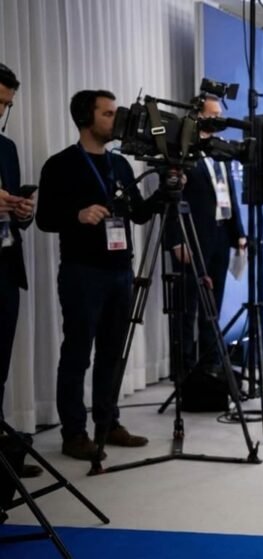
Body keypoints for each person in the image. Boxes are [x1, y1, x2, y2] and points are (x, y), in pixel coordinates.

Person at [36, 90, 156, 460]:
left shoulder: (120, 165)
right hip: (81, 273)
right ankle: (74, 433)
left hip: (121, 271)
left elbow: (137, 214)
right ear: (86, 119)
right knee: (77, 354)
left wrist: (166, 191)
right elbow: (43, 219)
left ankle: (108, 423)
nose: (115, 120)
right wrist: (78, 215)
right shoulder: (60, 165)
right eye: (108, 114)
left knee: (112, 354)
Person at [164, 95, 245, 387]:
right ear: (198, 115)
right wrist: (174, 241)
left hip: (220, 239)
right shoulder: (181, 150)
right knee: (187, 308)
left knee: (213, 306)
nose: (219, 119)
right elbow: (171, 200)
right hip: (190, 239)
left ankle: (209, 364)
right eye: (213, 114)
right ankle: (182, 370)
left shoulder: (221, 152)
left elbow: (229, 197)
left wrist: (239, 234)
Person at [0, 63, 42, 478]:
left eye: (6, 105)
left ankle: (2, 463)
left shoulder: (6, 148)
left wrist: (23, 211)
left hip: (5, 270)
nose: (0, 111)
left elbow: (12, 211)